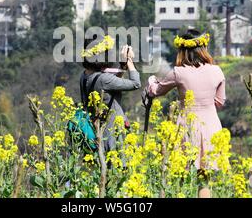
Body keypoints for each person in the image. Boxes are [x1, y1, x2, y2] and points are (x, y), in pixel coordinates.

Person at [142, 29, 226, 197]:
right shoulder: (217, 71)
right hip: (211, 128)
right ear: (203, 48)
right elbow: (220, 102)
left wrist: (151, 81)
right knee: (204, 178)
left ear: (182, 51)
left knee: (179, 175)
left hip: (187, 127)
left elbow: (156, 91)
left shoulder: (178, 72)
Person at [81, 36, 141, 151]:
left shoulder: (84, 76)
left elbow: (112, 85)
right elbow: (136, 83)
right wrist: (129, 62)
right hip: (112, 132)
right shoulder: (104, 79)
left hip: (97, 131)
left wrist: (122, 67)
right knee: (117, 165)